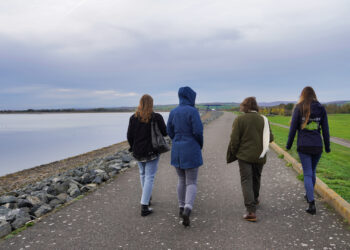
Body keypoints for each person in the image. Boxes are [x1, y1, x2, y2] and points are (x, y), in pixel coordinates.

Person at [226, 97, 274, 222]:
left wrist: (235, 152)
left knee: (246, 180)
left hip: (244, 156)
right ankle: (255, 199)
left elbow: (234, 140)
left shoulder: (240, 119)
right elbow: (271, 138)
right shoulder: (264, 119)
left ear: (244, 106)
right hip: (260, 155)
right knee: (257, 177)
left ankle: (251, 211)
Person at [286, 86, 330, 215]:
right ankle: (309, 194)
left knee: (307, 173)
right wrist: (327, 147)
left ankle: (311, 204)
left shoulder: (299, 108)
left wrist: (288, 145)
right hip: (317, 146)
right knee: (312, 171)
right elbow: (326, 130)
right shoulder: (321, 108)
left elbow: (293, 129)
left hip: (304, 146)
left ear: (303, 95)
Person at [167, 86, 203, 227]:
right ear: (191, 97)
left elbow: (169, 130)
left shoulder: (173, 111)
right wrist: (199, 144)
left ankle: (181, 207)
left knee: (181, 179)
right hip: (191, 148)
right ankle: (187, 208)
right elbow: (198, 131)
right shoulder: (193, 111)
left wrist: (176, 140)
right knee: (191, 181)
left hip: (177, 149)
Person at [127, 94, 167, 216]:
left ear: (140, 103)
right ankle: (144, 206)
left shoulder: (133, 118)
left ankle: (147, 198)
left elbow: (129, 136)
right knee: (149, 176)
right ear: (151, 104)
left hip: (137, 151)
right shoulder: (156, 117)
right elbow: (165, 132)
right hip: (152, 151)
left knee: (143, 174)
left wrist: (133, 147)